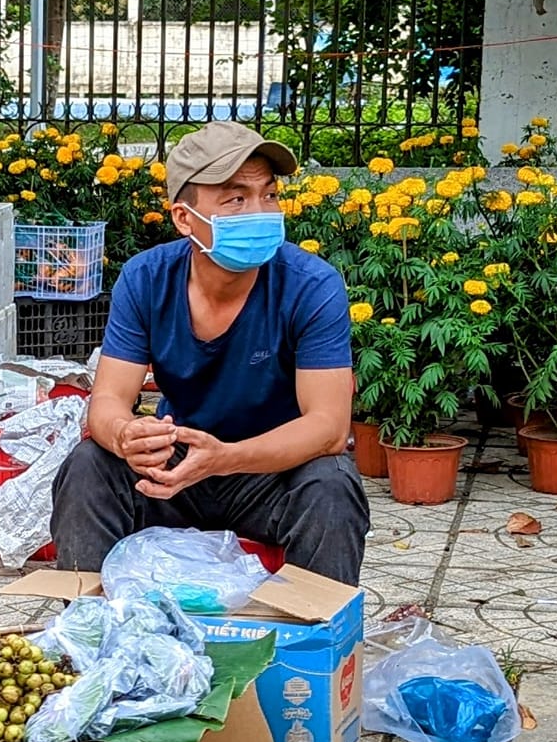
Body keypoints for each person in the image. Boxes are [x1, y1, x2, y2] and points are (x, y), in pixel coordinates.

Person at [50, 121, 369, 584]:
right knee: (88, 467)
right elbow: (107, 403)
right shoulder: (147, 279)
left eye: (269, 195)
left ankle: (316, 644)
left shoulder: (310, 284)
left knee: (331, 483)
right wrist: (126, 437)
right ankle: (92, 635)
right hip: (176, 473)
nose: (259, 211)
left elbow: (328, 428)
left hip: (272, 471)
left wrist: (228, 456)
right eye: (236, 198)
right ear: (184, 218)